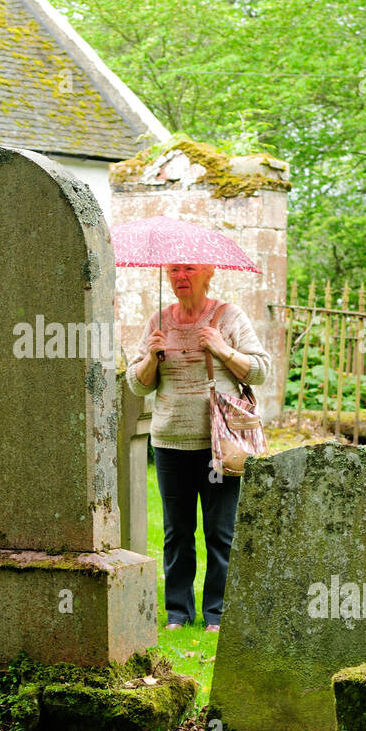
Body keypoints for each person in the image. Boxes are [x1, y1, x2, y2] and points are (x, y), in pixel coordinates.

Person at [125, 263, 271, 633]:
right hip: (171, 441)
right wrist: (150, 358)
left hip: (220, 444)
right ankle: (178, 613)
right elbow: (138, 386)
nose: (180, 276)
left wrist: (221, 348)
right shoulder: (158, 320)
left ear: (208, 274)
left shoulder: (228, 316)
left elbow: (260, 370)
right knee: (177, 531)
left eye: (189, 269)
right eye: (173, 270)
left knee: (220, 532)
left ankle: (218, 615)